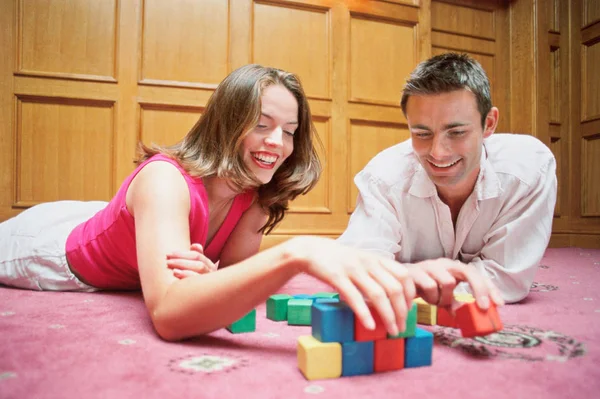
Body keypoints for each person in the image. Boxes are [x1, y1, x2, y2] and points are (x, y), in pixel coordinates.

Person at [0, 64, 501, 341]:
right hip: (50, 249)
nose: (276, 143)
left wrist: (209, 279)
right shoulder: (164, 182)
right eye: (261, 124)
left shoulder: (256, 199)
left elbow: (226, 283)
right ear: (226, 119)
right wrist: (296, 252)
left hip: (114, 230)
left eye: (289, 130)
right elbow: (171, 316)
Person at [338, 53, 557, 305]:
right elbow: (357, 270)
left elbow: (506, 279)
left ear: (489, 123)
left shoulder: (529, 170)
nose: (437, 153)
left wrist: (402, 280)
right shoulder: (383, 177)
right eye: (421, 133)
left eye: (456, 132)